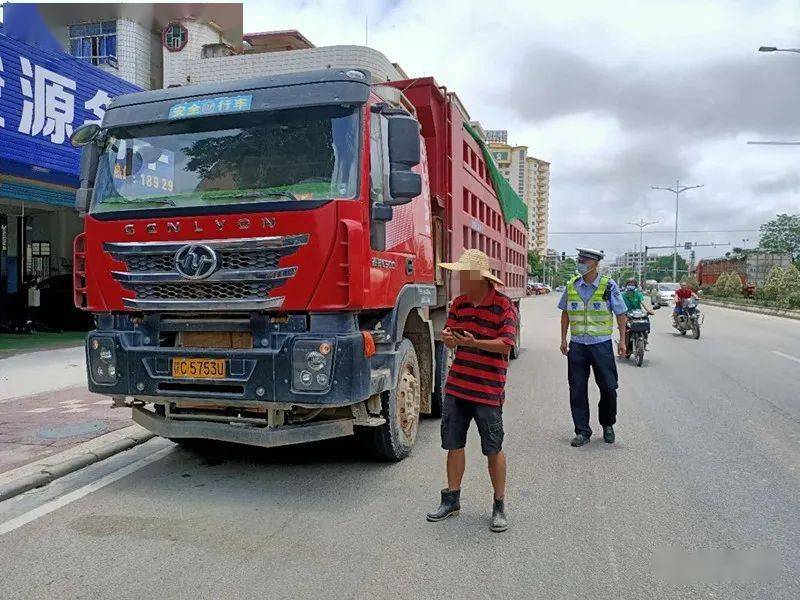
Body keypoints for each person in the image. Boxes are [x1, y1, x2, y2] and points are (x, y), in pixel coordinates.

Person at [426, 249, 518, 533]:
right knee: (453, 444)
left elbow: (506, 344)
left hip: (488, 390)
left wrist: (475, 342)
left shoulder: (503, 306)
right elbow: (452, 341)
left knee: (493, 448)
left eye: (464, 275)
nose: (460, 279)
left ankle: (499, 504)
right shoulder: (459, 304)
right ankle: (452, 499)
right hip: (457, 387)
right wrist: (449, 339)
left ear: (480, 277)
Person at [558, 248, 628, 447]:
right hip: (578, 345)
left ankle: (607, 424)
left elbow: (621, 313)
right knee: (577, 388)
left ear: (595, 264)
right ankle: (582, 431)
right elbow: (565, 313)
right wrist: (563, 339)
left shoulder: (608, 286)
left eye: (584, 260)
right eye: (579, 259)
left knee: (608, 387)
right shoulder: (572, 285)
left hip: (601, 345)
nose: (580, 262)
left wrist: (622, 341)